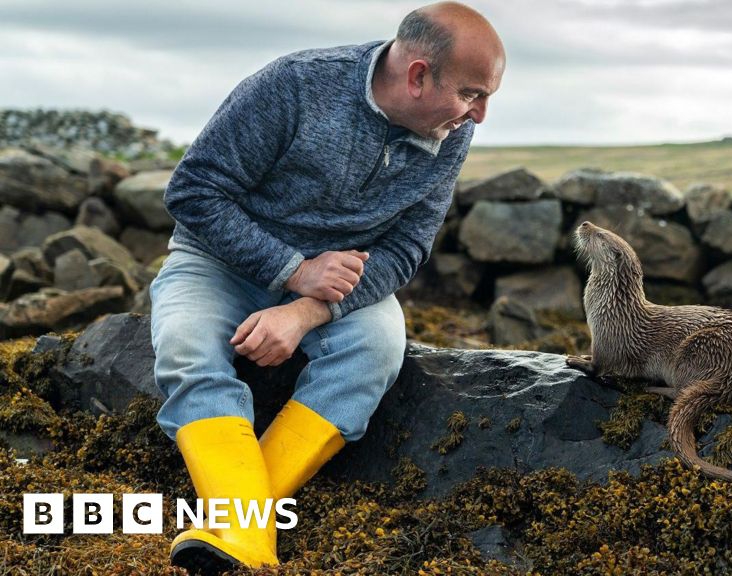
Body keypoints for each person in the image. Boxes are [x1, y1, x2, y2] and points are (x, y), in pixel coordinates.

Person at [148, 2, 505, 572]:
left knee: (378, 348)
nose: (479, 115)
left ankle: (237, 530)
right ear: (417, 76)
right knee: (187, 348)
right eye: (471, 94)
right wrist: (292, 270)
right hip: (215, 263)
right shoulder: (293, 85)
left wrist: (307, 309)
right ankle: (250, 533)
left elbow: (407, 249)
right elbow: (193, 192)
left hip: (337, 287)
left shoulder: (448, 130)